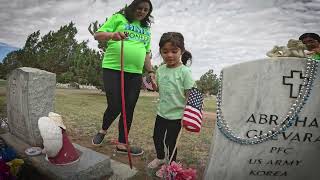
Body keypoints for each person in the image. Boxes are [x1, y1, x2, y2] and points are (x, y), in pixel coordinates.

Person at [92, 0, 155, 156]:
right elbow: (97, 35)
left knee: (129, 108)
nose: (142, 11)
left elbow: (146, 53)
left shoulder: (146, 29)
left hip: (135, 73)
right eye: (139, 8)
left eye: (146, 10)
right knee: (115, 105)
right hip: (113, 68)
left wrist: (151, 71)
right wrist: (113, 35)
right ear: (133, 7)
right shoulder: (119, 18)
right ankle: (103, 130)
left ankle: (122, 143)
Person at [147, 32, 195, 170]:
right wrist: (154, 85)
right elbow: (159, 89)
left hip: (177, 115)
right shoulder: (160, 70)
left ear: (182, 51)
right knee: (157, 137)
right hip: (162, 113)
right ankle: (160, 158)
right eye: (165, 51)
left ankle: (171, 165)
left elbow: (189, 94)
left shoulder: (185, 72)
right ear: (161, 52)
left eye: (174, 51)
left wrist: (186, 114)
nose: (169, 55)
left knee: (170, 142)